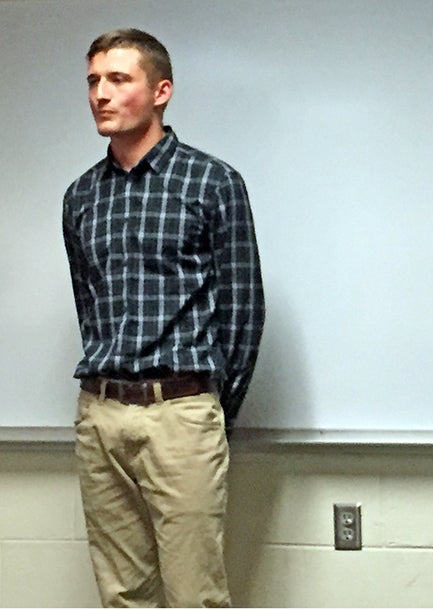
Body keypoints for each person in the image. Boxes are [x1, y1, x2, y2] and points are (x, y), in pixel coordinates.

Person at [62, 28, 265, 607]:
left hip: (180, 414)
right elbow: (89, 306)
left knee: (194, 593)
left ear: (161, 91)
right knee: (122, 595)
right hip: (99, 416)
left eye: (118, 79)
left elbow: (243, 311)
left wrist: (205, 410)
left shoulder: (212, 182)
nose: (100, 93)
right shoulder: (80, 198)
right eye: (94, 81)